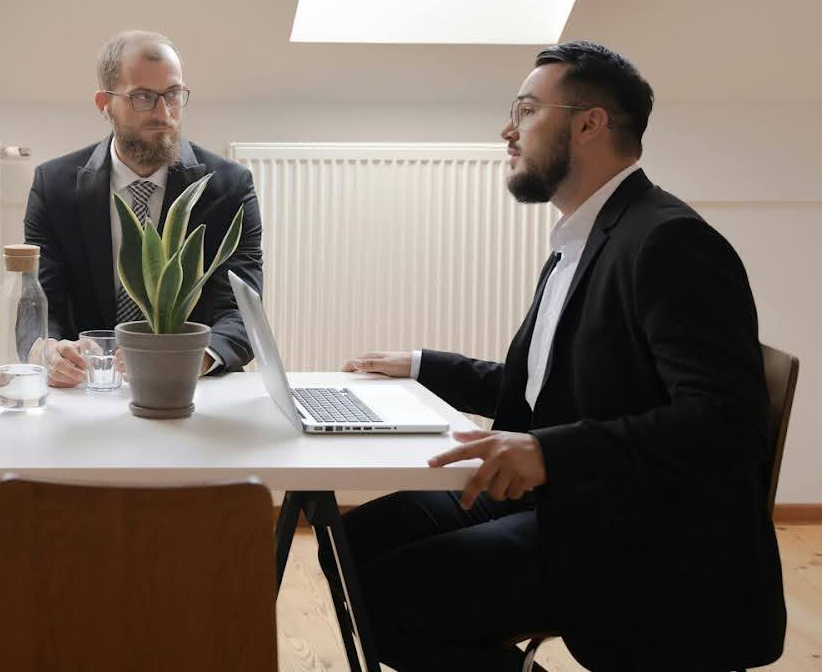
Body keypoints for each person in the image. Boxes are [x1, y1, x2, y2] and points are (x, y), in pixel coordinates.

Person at [335, 41, 786, 671]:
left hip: (640, 537)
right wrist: (417, 364)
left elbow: (727, 423)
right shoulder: (582, 239)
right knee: (349, 541)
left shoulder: (667, 242)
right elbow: (547, 390)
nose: (507, 130)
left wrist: (547, 451)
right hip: (573, 495)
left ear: (588, 123)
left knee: (389, 598)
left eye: (524, 109)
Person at [23, 30, 262, 386]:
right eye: (143, 97)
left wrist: (193, 359)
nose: (163, 113)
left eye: (173, 95)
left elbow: (242, 313)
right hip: (88, 386)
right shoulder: (54, 186)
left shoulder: (229, 187)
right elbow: (38, 303)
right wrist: (47, 350)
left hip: (191, 388)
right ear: (104, 104)